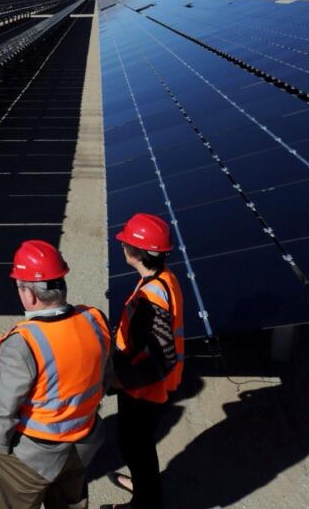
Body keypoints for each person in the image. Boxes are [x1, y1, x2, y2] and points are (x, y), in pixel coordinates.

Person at [0, 240, 111, 509]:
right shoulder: (95, 319)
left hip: (32, 457)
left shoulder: (22, 343)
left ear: (30, 295)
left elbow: (3, 412)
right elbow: (105, 376)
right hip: (84, 440)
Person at [102, 213, 185, 509]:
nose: (122, 245)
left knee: (136, 445)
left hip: (144, 391)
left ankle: (145, 501)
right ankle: (145, 485)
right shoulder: (165, 278)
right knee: (140, 444)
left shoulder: (152, 300)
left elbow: (160, 358)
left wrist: (118, 379)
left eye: (125, 242)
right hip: (152, 386)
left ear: (135, 252)